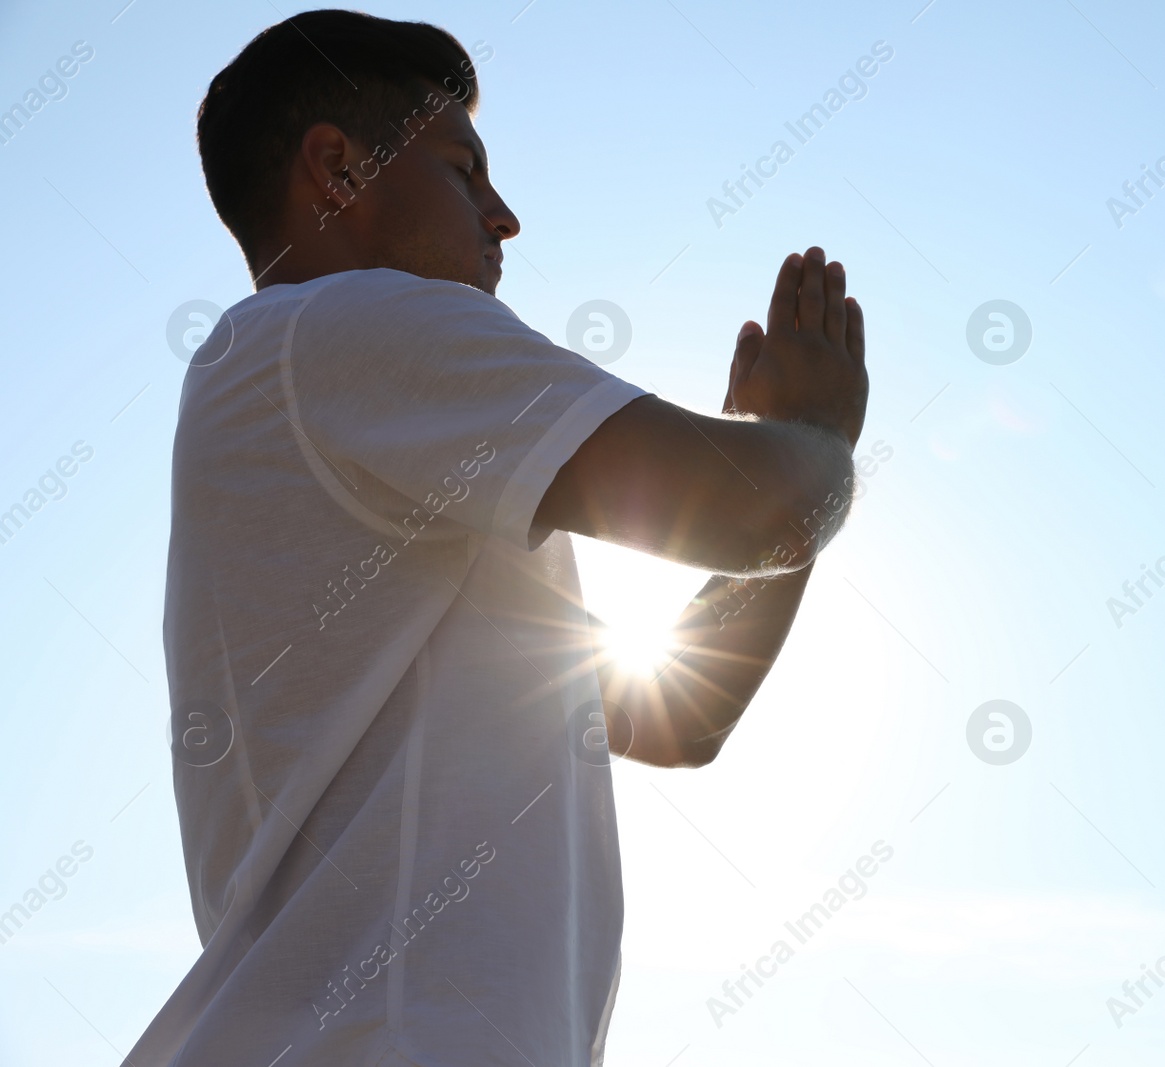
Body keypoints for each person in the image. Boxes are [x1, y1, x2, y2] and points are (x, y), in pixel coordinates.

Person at [128, 9, 869, 1066]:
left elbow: (678, 717)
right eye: (462, 167)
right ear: (337, 167)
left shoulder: (374, 437)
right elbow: (754, 508)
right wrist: (816, 434)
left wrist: (784, 463)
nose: (504, 214)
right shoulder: (343, 324)